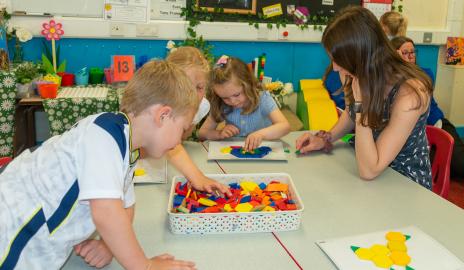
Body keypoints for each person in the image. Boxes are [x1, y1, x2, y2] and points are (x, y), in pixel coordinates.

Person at [0, 60, 224, 270]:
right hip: (14, 232)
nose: (179, 141)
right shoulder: (104, 134)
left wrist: (108, 244)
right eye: (183, 128)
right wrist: (145, 266)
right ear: (163, 116)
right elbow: (107, 213)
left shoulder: (126, 148)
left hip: (38, 242)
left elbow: (126, 205)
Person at [296, 6, 433, 189]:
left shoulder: (411, 94)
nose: (335, 68)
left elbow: (369, 171)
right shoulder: (359, 73)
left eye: (339, 60)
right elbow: (351, 114)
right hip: (368, 164)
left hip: (404, 181)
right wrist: (325, 139)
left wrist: (361, 104)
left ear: (360, 56)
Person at [391, 36, 464, 178]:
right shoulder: (389, 77)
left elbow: (412, 90)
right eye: (405, 53)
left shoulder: (424, 74)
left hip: (438, 126)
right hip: (418, 136)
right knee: (440, 171)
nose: (410, 56)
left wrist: (399, 64)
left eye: (413, 52)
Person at [164, 47, 233, 193]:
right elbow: (170, 143)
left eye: (199, 87)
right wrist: (197, 177)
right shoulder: (160, 106)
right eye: (186, 87)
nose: (193, 95)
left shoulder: (201, 106)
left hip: (172, 161)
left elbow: (178, 141)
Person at [199, 56, 290, 151]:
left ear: (248, 84)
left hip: (263, 150)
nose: (232, 101)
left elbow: (285, 126)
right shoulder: (220, 103)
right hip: (235, 154)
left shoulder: (263, 98)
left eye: (237, 94)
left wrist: (260, 134)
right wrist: (219, 133)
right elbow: (202, 133)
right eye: (225, 98)